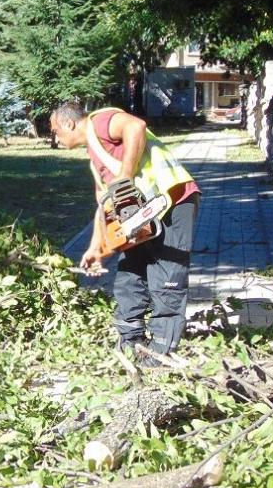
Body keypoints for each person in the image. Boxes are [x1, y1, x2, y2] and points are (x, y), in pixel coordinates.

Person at [49, 101, 200, 364]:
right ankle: (130, 344)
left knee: (166, 277)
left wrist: (125, 177)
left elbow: (136, 125)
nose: (55, 137)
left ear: (68, 123)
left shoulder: (101, 121)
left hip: (171, 200)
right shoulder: (95, 161)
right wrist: (95, 249)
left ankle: (161, 354)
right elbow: (104, 207)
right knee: (129, 276)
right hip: (138, 218)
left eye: (55, 131)